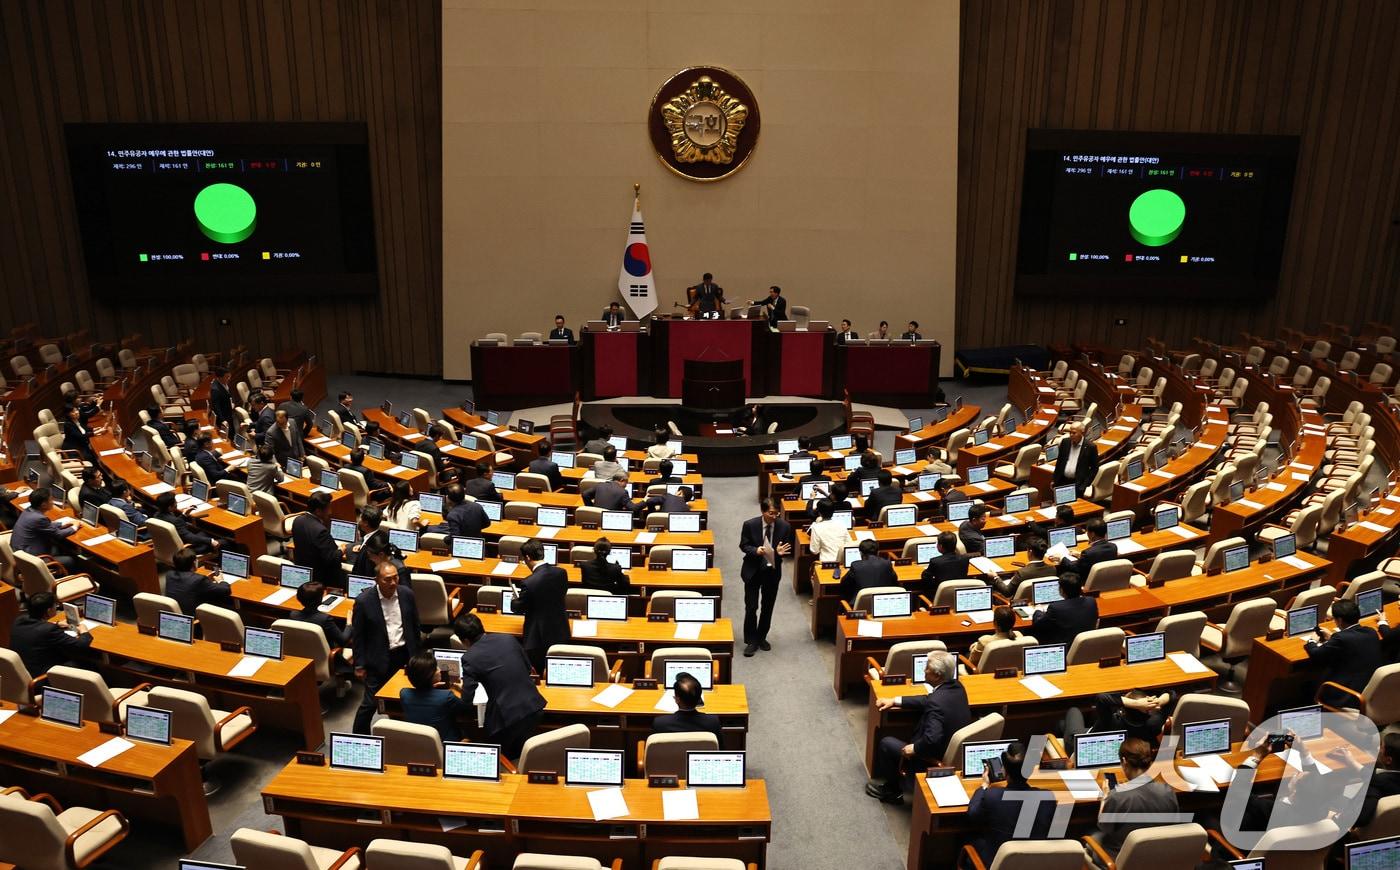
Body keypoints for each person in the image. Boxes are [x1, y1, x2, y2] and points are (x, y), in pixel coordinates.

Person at [868, 651, 971, 802]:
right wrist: (895, 701)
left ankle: (893, 792)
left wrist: (914, 748)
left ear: (936, 675)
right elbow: (928, 700)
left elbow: (932, 739)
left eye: (927, 668)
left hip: (933, 756)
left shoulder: (936, 703)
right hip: (952, 746)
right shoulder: (957, 686)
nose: (924, 670)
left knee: (886, 743)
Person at [453, 613, 547, 760]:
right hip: (534, 707)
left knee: (499, 756)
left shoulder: (469, 658)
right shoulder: (508, 639)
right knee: (521, 752)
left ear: (464, 640)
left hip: (507, 719)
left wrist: (462, 688)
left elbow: (466, 700)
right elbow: (529, 669)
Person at [352, 560, 421, 732]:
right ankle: (358, 738)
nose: (393, 583)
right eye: (387, 579)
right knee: (369, 705)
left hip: (405, 655)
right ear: (376, 580)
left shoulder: (406, 594)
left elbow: (415, 625)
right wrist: (359, 664)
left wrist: (417, 654)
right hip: (378, 658)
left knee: (407, 698)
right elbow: (358, 636)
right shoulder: (363, 601)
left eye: (395, 578)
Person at [1088, 738, 1181, 864]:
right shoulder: (1167, 791)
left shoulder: (1117, 797)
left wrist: (1105, 798)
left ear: (1124, 761)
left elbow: (1104, 826)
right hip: (1159, 857)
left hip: (1123, 860)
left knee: (1093, 835)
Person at [962, 742, 1055, 868]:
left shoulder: (992, 796)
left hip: (998, 863)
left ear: (1004, 771)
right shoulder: (1048, 798)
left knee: (966, 839)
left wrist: (984, 786)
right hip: (1034, 864)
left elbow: (972, 815)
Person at [738, 498, 793, 657]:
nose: (774, 516)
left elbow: (786, 548)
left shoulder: (785, 526)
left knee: (767, 607)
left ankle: (761, 637)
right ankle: (751, 640)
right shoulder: (750, 524)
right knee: (751, 606)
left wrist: (779, 553)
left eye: (777, 513)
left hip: (772, 571)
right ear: (763, 511)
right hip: (753, 570)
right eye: (771, 513)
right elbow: (743, 545)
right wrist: (756, 550)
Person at [1303, 598, 1383, 708]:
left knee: (1308, 683)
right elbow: (1351, 644)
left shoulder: (1341, 638)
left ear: (1339, 620)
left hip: (1346, 695)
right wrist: (1332, 638)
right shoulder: (1371, 632)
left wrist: (1311, 641)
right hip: (1370, 689)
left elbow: (1316, 654)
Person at [515, 538, 569, 671]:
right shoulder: (561, 573)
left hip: (537, 637)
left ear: (527, 557)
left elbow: (519, 608)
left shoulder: (528, 582)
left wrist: (514, 600)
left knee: (538, 672)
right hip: (560, 630)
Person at [10, 591, 93, 677]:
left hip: (24, 671)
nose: (56, 609)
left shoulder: (19, 620)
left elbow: (36, 628)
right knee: (87, 663)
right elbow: (80, 645)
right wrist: (84, 631)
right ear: (49, 611)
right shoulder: (48, 630)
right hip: (42, 675)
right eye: (55, 606)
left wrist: (56, 624)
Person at [398, 650, 473, 742]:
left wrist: (429, 686)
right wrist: (464, 690)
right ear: (429, 675)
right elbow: (467, 709)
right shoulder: (446, 697)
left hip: (419, 744)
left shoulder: (404, 694)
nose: (439, 670)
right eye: (436, 668)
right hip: (445, 743)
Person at [1066, 689, 1176, 745]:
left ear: (1123, 710)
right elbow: (1171, 694)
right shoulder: (1154, 723)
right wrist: (1158, 702)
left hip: (1084, 742)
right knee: (1063, 724)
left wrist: (1137, 703)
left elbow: (1102, 698)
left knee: (1073, 711)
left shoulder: (1111, 722)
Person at [12, 488, 78, 572]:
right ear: (43, 504)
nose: (53, 501)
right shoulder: (39, 518)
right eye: (51, 499)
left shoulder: (29, 510)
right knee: (70, 560)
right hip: (32, 559)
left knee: (57, 547)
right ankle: (67, 578)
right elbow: (58, 535)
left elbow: (44, 526)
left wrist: (61, 524)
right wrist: (75, 526)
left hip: (22, 553)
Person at [292, 491, 348, 588]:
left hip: (303, 571)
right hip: (321, 577)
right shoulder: (320, 531)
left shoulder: (297, 520)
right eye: (328, 509)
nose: (330, 512)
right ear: (318, 511)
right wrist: (341, 550)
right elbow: (331, 559)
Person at [1029, 572, 1097, 646]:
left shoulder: (1056, 607)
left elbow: (1039, 624)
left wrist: (1038, 610)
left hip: (1063, 646)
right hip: (1086, 645)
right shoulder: (1091, 601)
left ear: (1062, 591)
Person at [163, 546, 232, 617]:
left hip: (175, 614)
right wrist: (221, 580)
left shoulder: (169, 575)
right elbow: (226, 590)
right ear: (194, 563)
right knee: (221, 598)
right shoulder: (198, 580)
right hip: (194, 618)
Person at [653, 672, 722, 741]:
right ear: (699, 700)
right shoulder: (713, 722)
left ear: (677, 699)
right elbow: (719, 749)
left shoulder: (660, 723)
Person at [840, 539, 897, 604]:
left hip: (860, 605)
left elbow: (844, 583)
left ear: (861, 553)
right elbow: (895, 580)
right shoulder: (887, 563)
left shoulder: (856, 565)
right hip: (883, 603)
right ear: (878, 552)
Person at [293, 581, 347, 648]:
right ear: (320, 599)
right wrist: (349, 624)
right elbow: (343, 641)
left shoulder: (293, 615)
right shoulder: (324, 619)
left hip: (302, 651)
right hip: (326, 655)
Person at [1053, 421, 1100, 497]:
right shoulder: (1065, 442)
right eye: (1070, 432)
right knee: (1060, 505)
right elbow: (1059, 462)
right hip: (1061, 481)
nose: (1071, 435)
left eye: (1074, 433)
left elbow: (1094, 468)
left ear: (1082, 433)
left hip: (1077, 484)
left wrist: (1084, 485)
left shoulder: (1090, 447)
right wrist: (1054, 479)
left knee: (1074, 507)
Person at [807, 499, 849, 564]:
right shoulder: (842, 524)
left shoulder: (816, 527)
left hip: (826, 563)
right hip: (843, 561)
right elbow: (848, 543)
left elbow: (814, 551)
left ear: (819, 512)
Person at [209, 367, 235, 434]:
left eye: (229, 376)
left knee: (232, 432)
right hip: (224, 417)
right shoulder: (216, 390)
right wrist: (223, 420)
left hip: (228, 413)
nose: (229, 379)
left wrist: (231, 403)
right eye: (227, 377)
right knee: (228, 435)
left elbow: (228, 395)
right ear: (220, 377)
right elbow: (216, 407)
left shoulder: (222, 383)